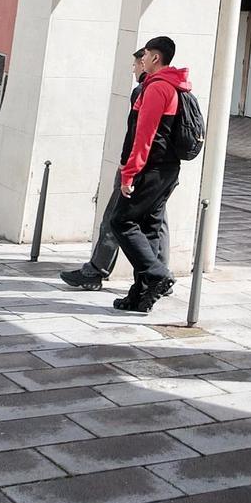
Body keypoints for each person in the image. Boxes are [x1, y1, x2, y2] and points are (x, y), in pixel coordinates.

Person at [58, 54, 171, 295]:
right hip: (162, 171)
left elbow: (138, 135)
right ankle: (157, 276)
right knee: (157, 224)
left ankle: (99, 270)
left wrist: (126, 169)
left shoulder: (145, 90)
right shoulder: (173, 89)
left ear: (147, 61)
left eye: (135, 63)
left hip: (140, 169)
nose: (133, 68)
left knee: (116, 218)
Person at [107, 35, 191, 313]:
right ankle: (140, 296)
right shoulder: (173, 86)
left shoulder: (157, 88)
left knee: (121, 221)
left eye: (144, 55)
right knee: (150, 229)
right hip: (166, 169)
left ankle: (158, 275)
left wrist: (129, 173)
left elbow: (144, 135)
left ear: (155, 58)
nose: (140, 59)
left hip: (152, 169)